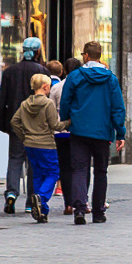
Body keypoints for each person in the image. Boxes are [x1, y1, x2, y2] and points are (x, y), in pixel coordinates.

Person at [58, 41, 126, 225]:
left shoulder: (75, 77)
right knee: (101, 172)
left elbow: (65, 102)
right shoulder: (110, 78)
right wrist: (120, 132)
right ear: (100, 56)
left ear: (86, 56)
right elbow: (118, 108)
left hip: (79, 130)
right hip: (102, 131)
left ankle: (79, 209)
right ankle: (98, 212)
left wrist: (67, 119)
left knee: (79, 169)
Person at [0, 37, 47, 215]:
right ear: (38, 51)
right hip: (36, 126)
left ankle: (11, 193)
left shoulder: (10, 72)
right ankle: (31, 201)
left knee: (15, 159)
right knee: (34, 162)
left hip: (15, 123)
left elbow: (2, 101)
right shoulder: (42, 72)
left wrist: (2, 123)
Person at [9, 73, 68, 222]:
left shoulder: (25, 104)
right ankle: (40, 199)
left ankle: (42, 211)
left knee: (37, 174)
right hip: (46, 144)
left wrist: (24, 136)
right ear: (45, 87)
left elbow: (14, 122)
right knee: (53, 173)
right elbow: (56, 125)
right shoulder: (48, 104)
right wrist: (69, 123)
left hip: (30, 145)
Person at [50, 57, 80, 214]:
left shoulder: (56, 88)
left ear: (65, 71)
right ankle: (81, 200)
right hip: (79, 132)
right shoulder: (83, 86)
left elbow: (52, 111)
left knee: (65, 168)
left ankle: (68, 203)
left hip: (60, 133)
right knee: (80, 167)